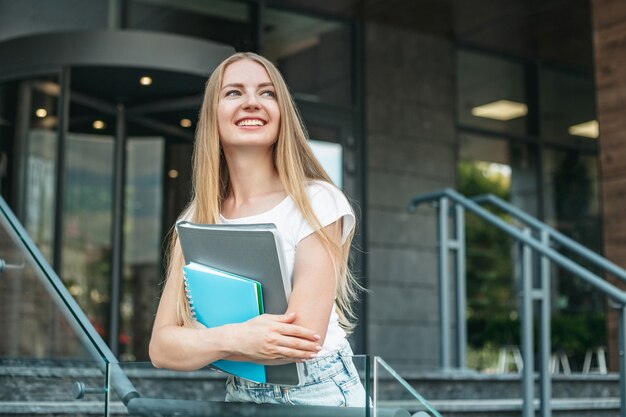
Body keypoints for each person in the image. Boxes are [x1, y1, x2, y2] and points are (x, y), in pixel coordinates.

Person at [149, 52, 366, 407]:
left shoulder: (317, 202)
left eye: (267, 93)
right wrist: (239, 337)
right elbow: (162, 348)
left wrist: (207, 342)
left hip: (321, 393)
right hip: (241, 394)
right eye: (234, 92)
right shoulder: (196, 217)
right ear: (213, 115)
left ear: (282, 113)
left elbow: (299, 341)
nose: (252, 102)